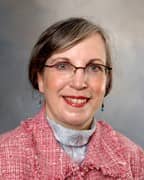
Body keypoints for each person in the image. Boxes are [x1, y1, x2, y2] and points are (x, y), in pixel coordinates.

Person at [0, 17, 144, 179]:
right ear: (40, 78)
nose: (79, 83)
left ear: (107, 80)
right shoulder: (4, 157)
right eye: (62, 66)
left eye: (94, 67)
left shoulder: (134, 160)